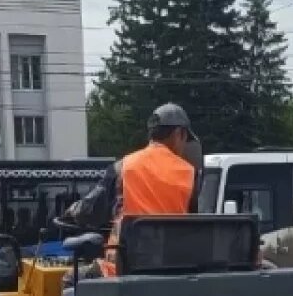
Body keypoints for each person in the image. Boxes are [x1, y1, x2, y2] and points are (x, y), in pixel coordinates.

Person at [64, 102, 203, 279]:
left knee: (70, 278)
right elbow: (193, 226)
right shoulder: (190, 174)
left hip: (123, 270)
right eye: (185, 139)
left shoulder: (123, 167)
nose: (184, 146)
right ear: (178, 134)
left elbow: (89, 210)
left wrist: (72, 211)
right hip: (172, 271)